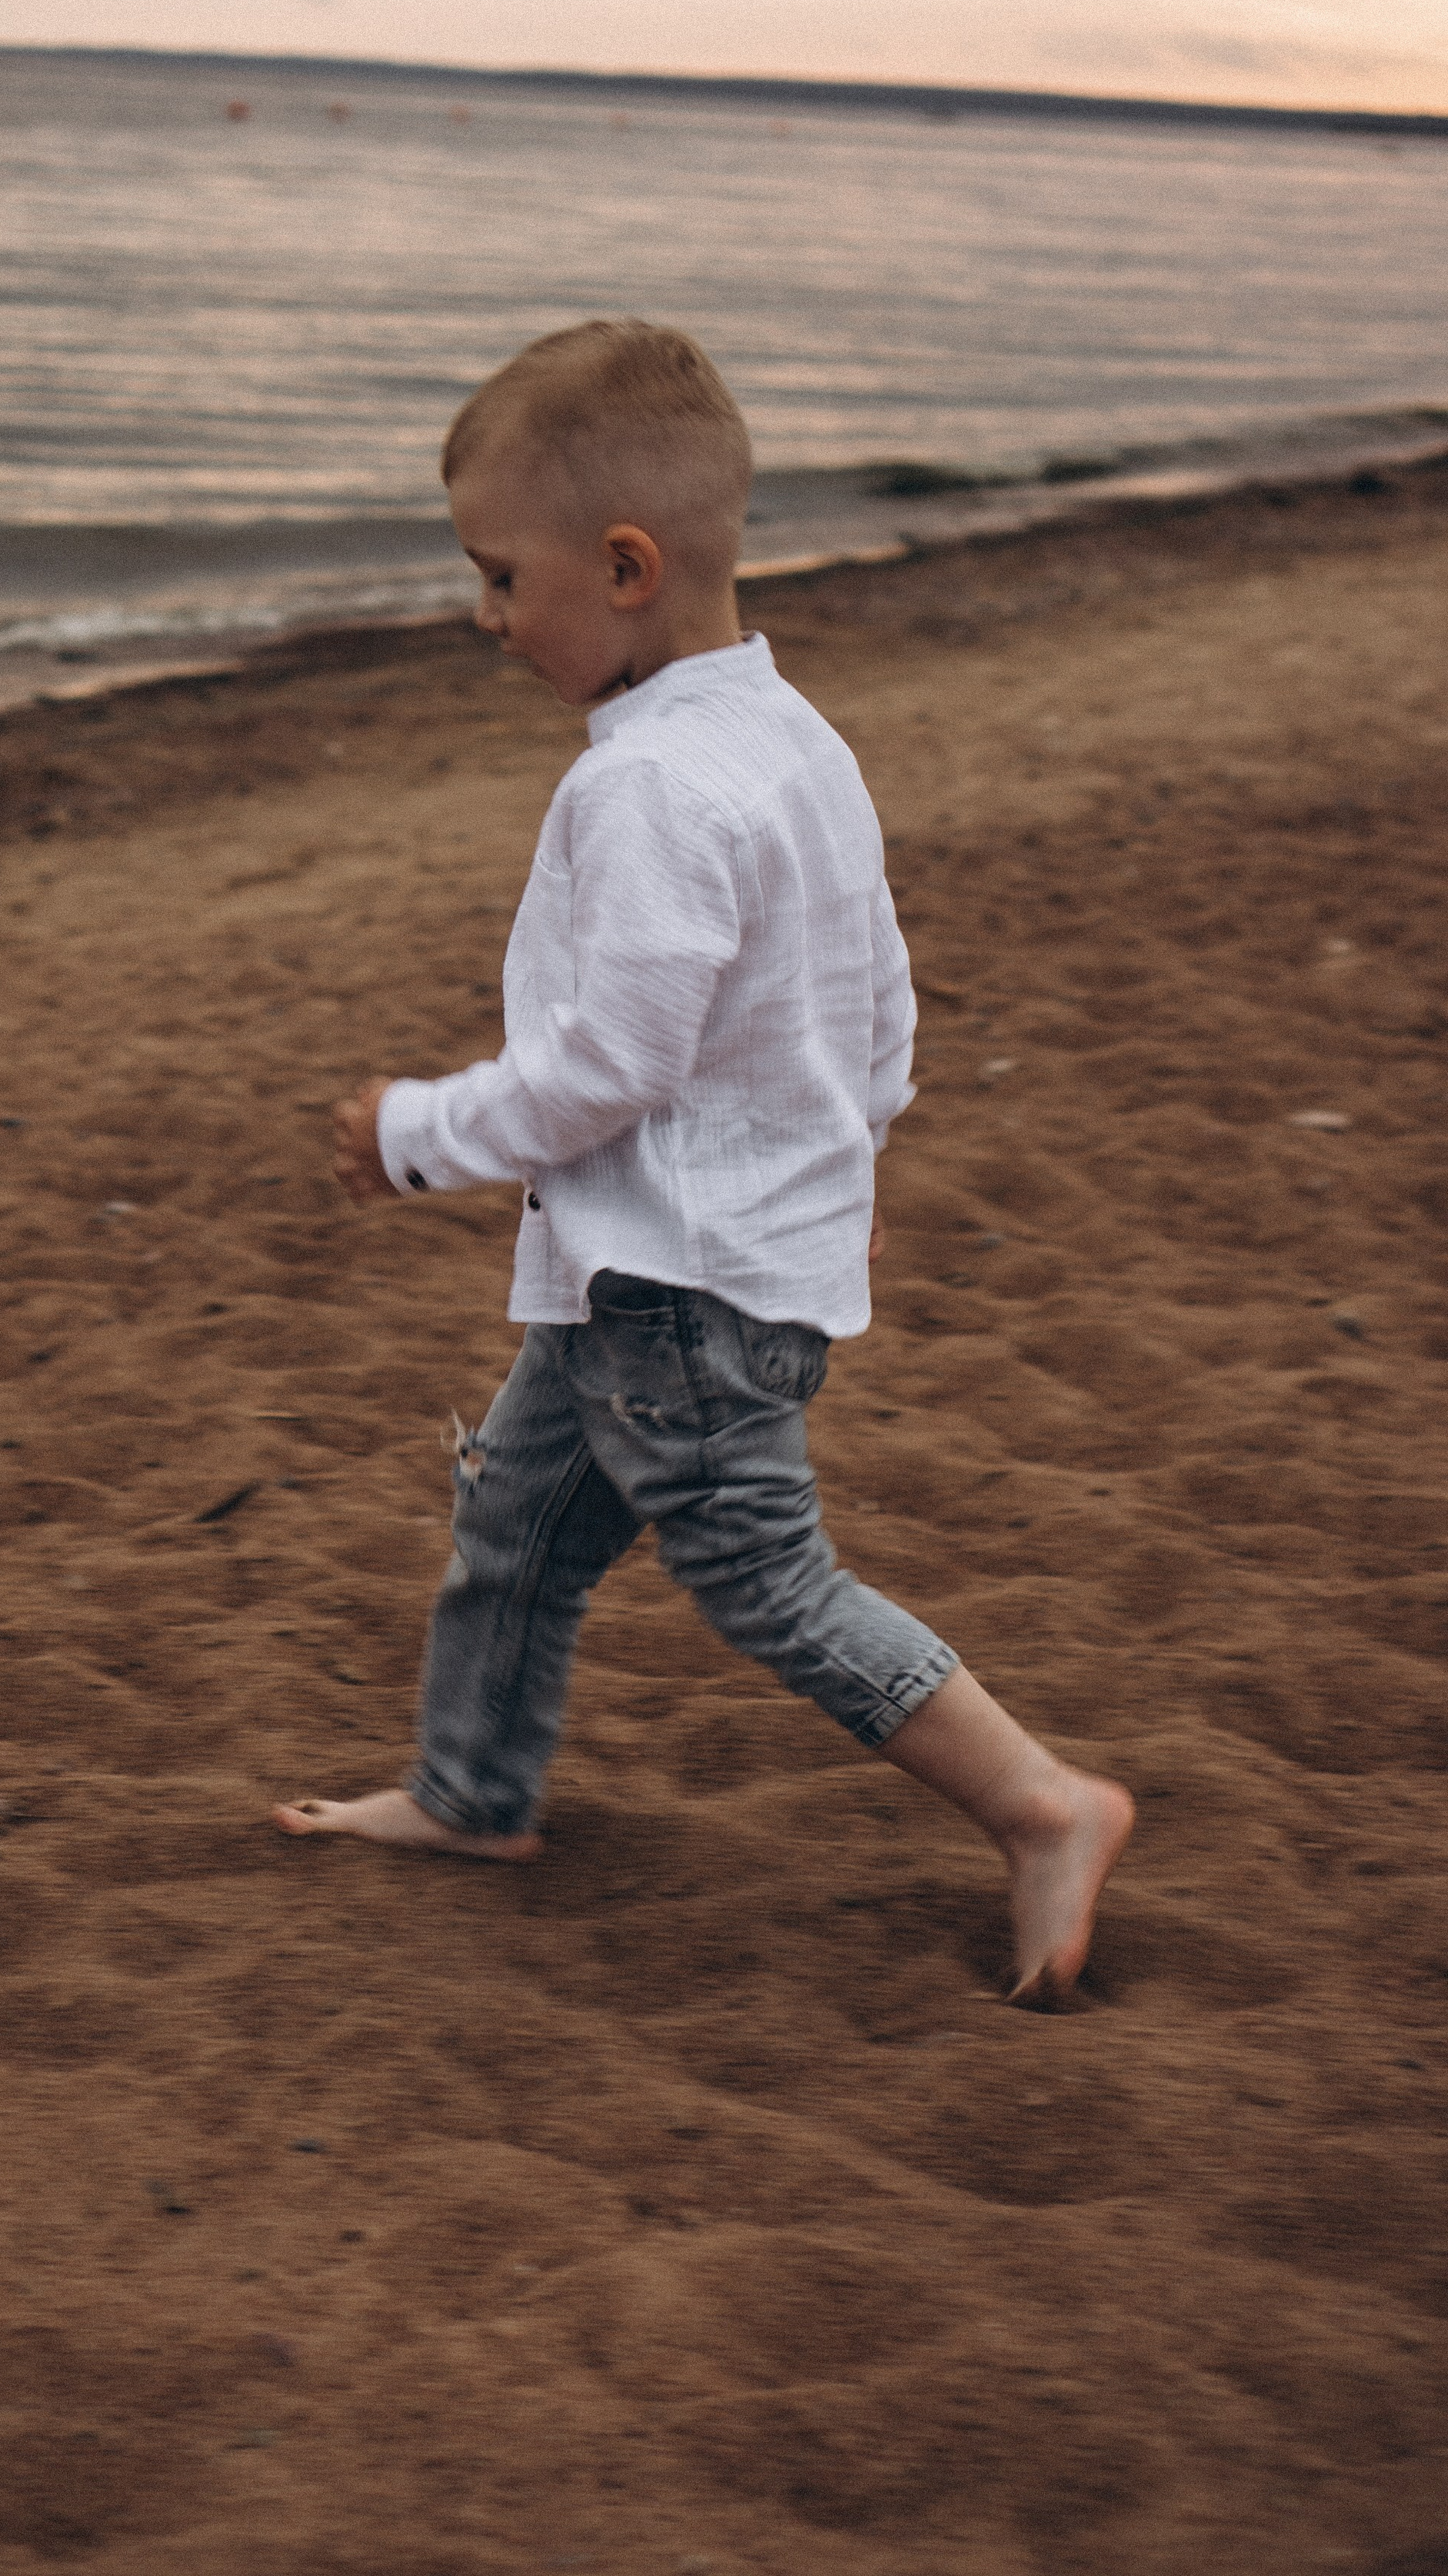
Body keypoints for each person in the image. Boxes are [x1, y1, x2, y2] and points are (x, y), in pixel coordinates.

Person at [274, 320, 1131, 2006]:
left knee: (759, 1578)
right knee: (516, 1529)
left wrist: (409, 1134)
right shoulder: (790, 736)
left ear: (621, 564)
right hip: (674, 1269)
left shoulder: (649, 785)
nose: (485, 616)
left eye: (499, 577)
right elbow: (875, 1001)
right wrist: (830, 1150)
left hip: (683, 1289)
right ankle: (471, 1794)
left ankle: (1041, 1803)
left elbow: (605, 1067)